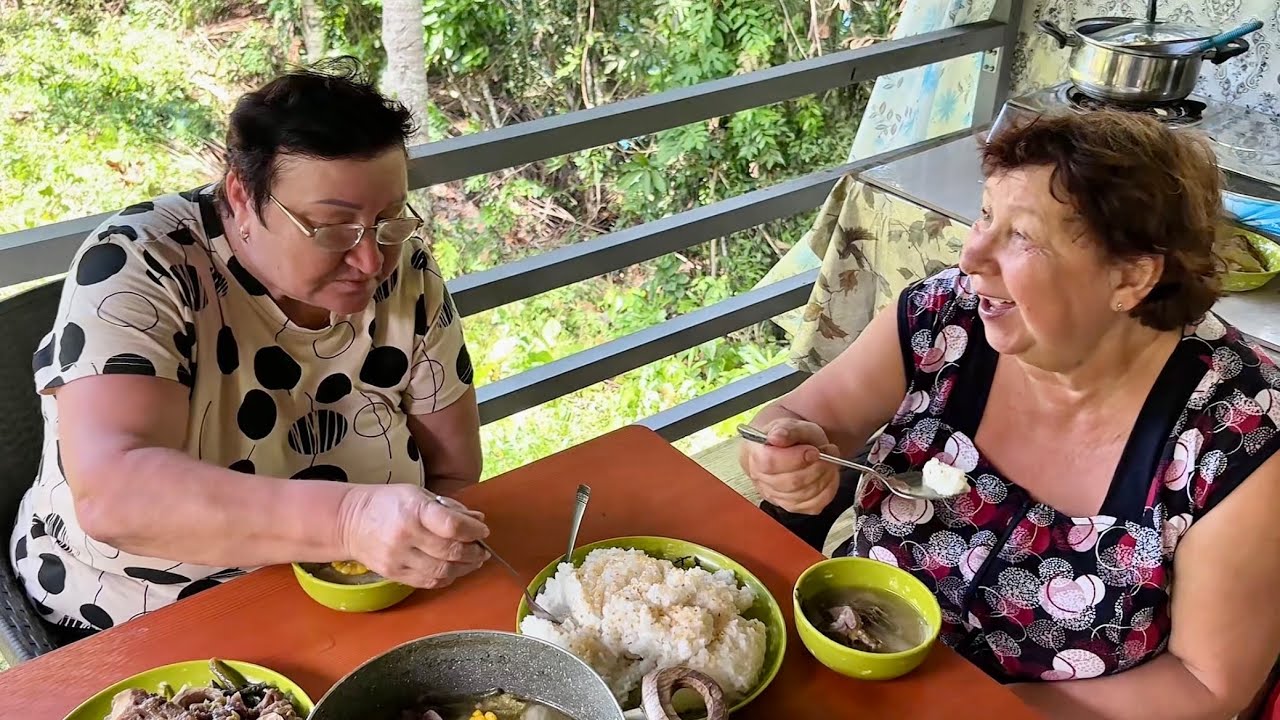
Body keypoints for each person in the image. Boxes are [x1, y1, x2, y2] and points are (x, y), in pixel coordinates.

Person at [741, 111, 1280, 718]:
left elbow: (1207, 682)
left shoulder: (1236, 432)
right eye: (985, 215)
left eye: (1022, 236)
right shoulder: (947, 316)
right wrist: (784, 452)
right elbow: (800, 419)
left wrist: (986, 709)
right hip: (858, 661)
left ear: (1131, 276)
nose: (971, 255)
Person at [8, 58, 490, 636]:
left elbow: (454, 471)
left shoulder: (403, 266)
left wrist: (419, 554)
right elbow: (115, 497)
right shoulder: (143, 262)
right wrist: (350, 520)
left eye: (388, 219)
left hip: (354, 595)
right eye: (332, 228)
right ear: (240, 195)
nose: (369, 260)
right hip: (142, 617)